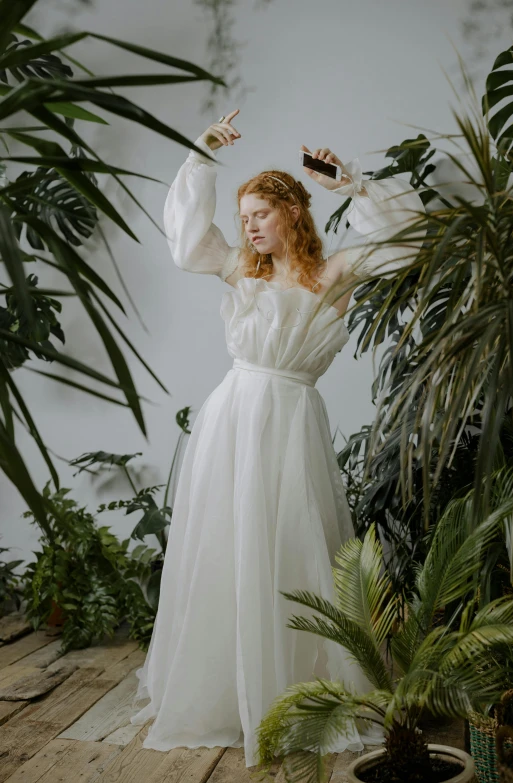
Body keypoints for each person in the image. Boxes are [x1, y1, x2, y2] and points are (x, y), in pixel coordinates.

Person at [129, 109, 426, 767]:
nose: (250, 226)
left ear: (293, 210)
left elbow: (409, 243)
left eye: (260, 213)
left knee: (294, 543)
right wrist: (202, 153)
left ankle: (295, 685)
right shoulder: (241, 267)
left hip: (292, 423)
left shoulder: (334, 274)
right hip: (233, 418)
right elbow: (183, 243)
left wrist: (354, 186)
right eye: (243, 217)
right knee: (230, 544)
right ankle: (229, 688)